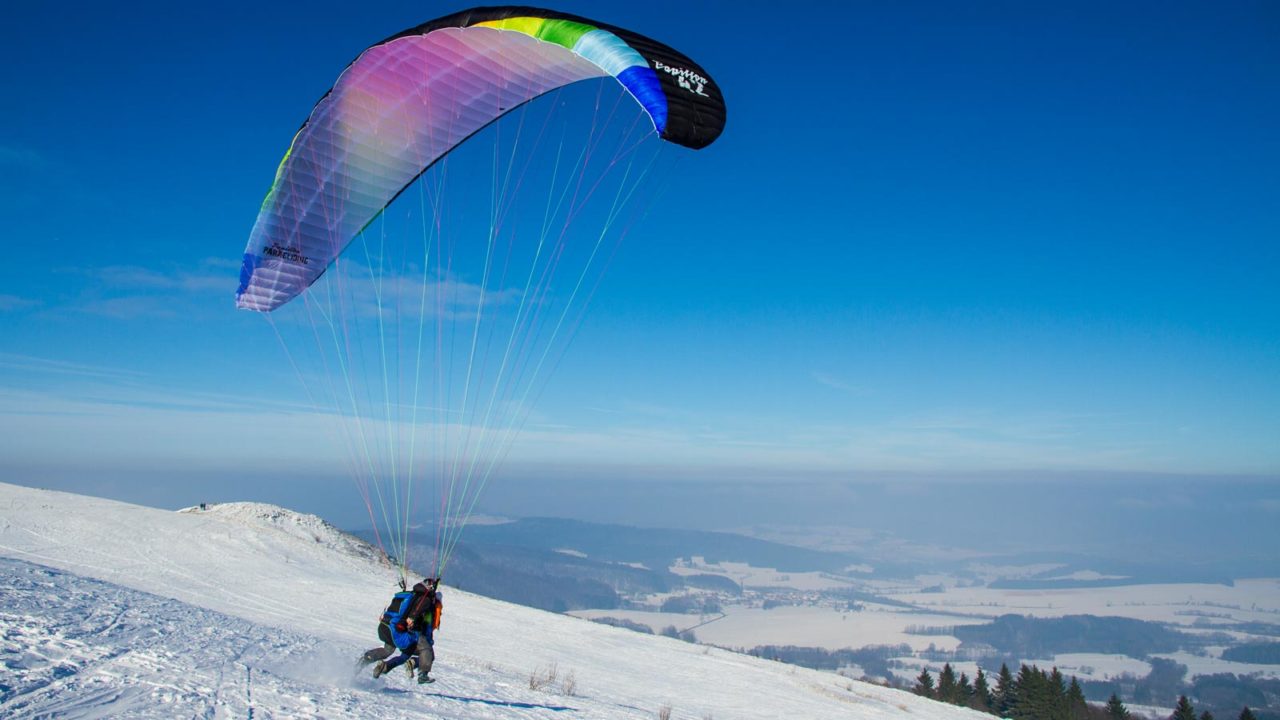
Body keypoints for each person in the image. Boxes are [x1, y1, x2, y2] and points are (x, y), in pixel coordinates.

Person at [362, 578, 442, 684]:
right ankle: (423, 674)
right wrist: (413, 618)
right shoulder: (425, 598)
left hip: (393, 627)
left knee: (389, 650)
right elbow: (418, 609)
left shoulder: (413, 594)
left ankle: (372, 660)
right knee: (426, 650)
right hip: (410, 631)